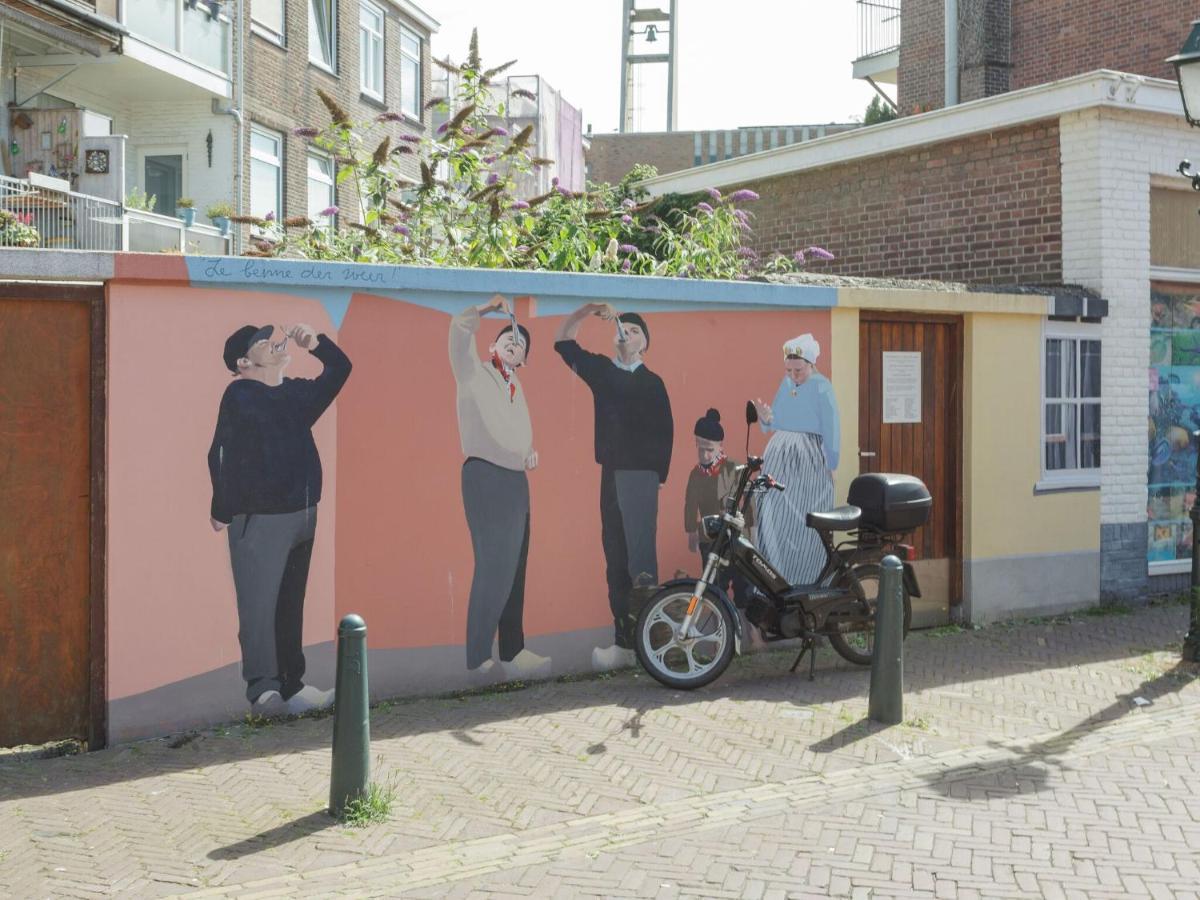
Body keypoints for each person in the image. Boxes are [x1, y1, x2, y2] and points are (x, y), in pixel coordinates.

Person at [208, 323, 351, 716]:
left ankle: (292, 686)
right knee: (259, 607)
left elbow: (340, 370)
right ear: (243, 361)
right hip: (260, 519)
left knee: (290, 604)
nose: (274, 344)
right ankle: (264, 691)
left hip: (302, 515)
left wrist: (315, 344)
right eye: (262, 342)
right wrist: (222, 508)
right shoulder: (240, 395)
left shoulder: (295, 395)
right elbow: (220, 452)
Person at [555, 302, 673, 672]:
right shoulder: (603, 372)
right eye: (625, 328)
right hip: (611, 474)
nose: (628, 333)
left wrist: (653, 480)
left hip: (640, 477)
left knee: (641, 564)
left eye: (637, 331)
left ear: (645, 345)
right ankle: (623, 643)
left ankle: (649, 644)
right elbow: (564, 343)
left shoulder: (653, 383)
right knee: (616, 560)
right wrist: (587, 310)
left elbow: (665, 435)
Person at [449, 294, 551, 682]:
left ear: (523, 358)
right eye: (508, 337)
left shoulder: (515, 386)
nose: (515, 342)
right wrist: (486, 310)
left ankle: (513, 650)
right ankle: (477, 658)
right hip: (486, 477)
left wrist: (528, 453)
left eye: (521, 342)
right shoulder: (473, 372)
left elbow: (512, 433)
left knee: (516, 568)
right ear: (492, 346)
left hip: (515, 480)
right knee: (493, 567)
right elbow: (458, 331)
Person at [752, 334, 840, 585]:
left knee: (805, 522)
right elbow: (773, 423)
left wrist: (832, 464)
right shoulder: (786, 384)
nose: (793, 375)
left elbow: (831, 428)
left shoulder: (823, 387)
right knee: (777, 518)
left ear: (811, 364)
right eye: (789, 369)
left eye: (798, 370)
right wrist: (767, 418)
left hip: (808, 459)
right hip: (779, 457)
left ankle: (809, 580)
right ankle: (779, 580)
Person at [682, 408, 754, 604]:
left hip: (736, 541)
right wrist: (691, 531)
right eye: (700, 448)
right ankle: (720, 630)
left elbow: (748, 500)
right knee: (714, 592)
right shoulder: (695, 475)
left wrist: (749, 529)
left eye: (709, 449)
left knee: (745, 591)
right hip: (710, 541)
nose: (704, 454)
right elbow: (690, 503)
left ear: (720, 446)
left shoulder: (734, 469)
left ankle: (752, 634)